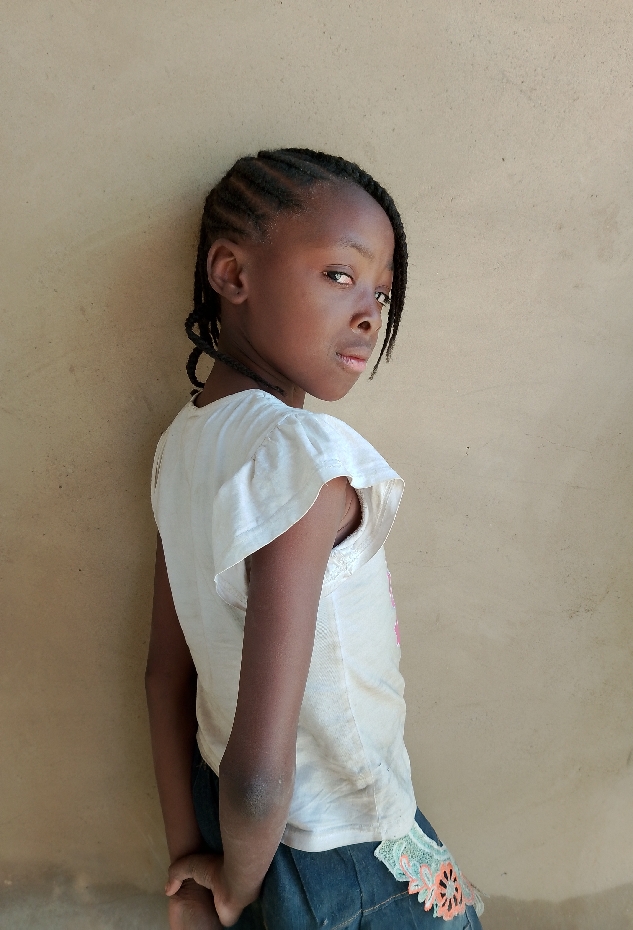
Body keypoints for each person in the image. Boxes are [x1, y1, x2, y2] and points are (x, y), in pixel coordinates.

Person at [146, 149, 484, 930]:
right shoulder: (304, 458)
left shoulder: (179, 450)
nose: (369, 313)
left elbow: (164, 678)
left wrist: (194, 868)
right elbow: (264, 771)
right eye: (340, 274)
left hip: (234, 833)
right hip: (349, 852)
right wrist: (234, 883)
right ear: (232, 273)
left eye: (381, 293)